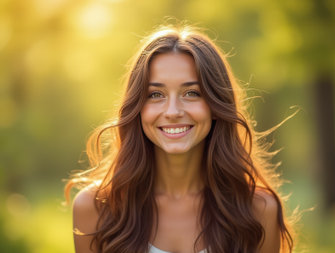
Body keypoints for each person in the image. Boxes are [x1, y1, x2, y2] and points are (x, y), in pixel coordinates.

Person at [65, 25, 295, 253]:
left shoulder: (258, 210)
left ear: (215, 105)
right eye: (155, 95)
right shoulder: (95, 208)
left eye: (191, 93)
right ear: (137, 108)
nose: (173, 111)